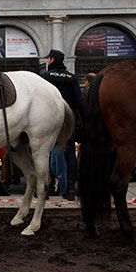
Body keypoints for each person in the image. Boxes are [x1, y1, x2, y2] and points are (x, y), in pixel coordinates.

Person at [40, 49, 85, 201]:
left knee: (45, 153)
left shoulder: (45, 77)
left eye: (48, 59)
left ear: (52, 60)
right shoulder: (72, 78)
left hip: (48, 119)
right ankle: (70, 189)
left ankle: (47, 188)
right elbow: (80, 102)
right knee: (69, 154)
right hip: (68, 120)